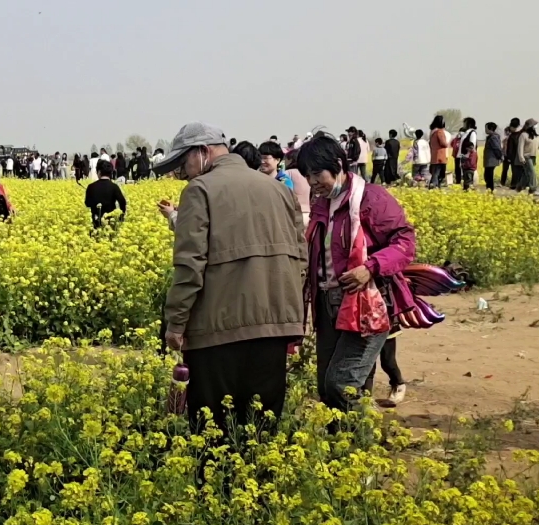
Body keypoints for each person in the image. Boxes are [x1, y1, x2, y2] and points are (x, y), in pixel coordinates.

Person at [157, 122, 306, 436]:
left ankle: (217, 486)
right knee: (261, 426)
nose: (184, 174)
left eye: (183, 165)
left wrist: (176, 323)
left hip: (218, 329)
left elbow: (190, 264)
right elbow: (299, 257)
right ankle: (261, 482)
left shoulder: (200, 190)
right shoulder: (278, 188)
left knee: (214, 429)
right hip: (275, 325)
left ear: (202, 152)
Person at [299, 134, 416, 416]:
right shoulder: (321, 205)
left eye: (317, 174)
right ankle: (346, 444)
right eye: (308, 176)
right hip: (328, 303)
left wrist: (370, 267)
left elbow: (405, 242)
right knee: (328, 387)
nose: (313, 182)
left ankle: (365, 434)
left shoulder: (370, 198)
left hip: (366, 303)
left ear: (338, 165)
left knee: (342, 383)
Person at [85, 159, 127, 229]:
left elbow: (87, 203)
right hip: (111, 222)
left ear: (99, 172)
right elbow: (122, 202)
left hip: (96, 222)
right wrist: (121, 216)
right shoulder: (114, 187)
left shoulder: (91, 187)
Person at [284, 149, 312, 226]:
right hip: (309, 213)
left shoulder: (287, 173)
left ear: (290, 160)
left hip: (295, 214)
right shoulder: (308, 174)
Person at [517, 119, 539, 194]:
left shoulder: (536, 136)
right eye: (535, 124)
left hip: (533, 157)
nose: (536, 126)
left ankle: (519, 187)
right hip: (526, 157)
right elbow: (520, 147)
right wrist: (521, 157)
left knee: (526, 173)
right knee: (532, 172)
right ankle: (533, 189)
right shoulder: (523, 135)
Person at [428, 115, 449, 188]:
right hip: (440, 156)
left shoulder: (432, 132)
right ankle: (434, 185)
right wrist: (447, 144)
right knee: (439, 173)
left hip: (434, 156)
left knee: (435, 172)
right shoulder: (439, 132)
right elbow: (443, 143)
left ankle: (433, 185)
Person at [457, 117, 478, 190]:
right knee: (465, 175)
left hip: (468, 157)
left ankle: (468, 188)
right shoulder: (466, 132)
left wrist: (468, 155)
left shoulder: (472, 133)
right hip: (464, 156)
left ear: (468, 124)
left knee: (468, 174)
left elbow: (472, 145)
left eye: (464, 123)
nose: (463, 124)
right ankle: (466, 189)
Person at [483, 122, 503, 192]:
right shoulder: (490, 137)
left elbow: (497, 148)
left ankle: (490, 189)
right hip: (489, 159)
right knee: (487, 175)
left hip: (491, 159)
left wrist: (500, 157)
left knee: (489, 175)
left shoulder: (493, 137)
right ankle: (489, 189)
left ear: (490, 129)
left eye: (486, 128)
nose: (485, 130)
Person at [502, 118, 521, 188]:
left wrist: (509, 157)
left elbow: (510, 148)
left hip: (513, 156)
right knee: (517, 171)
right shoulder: (521, 134)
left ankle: (514, 184)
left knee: (515, 171)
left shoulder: (512, 136)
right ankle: (517, 184)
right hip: (520, 156)